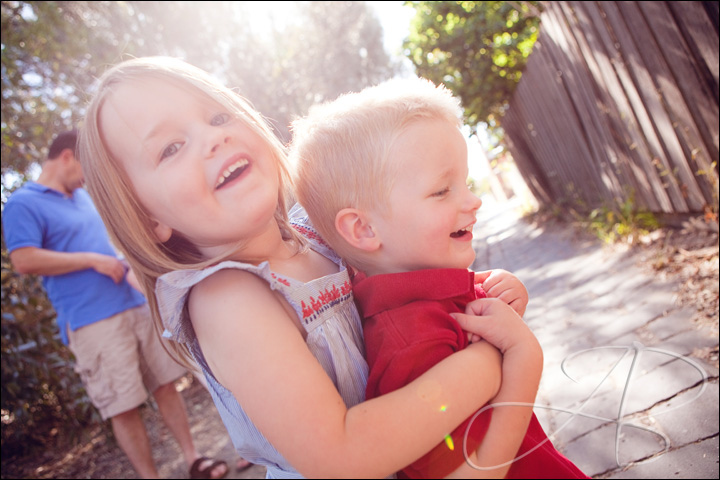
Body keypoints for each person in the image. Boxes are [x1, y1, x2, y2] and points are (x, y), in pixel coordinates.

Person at [78, 55, 540, 479]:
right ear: (149, 218)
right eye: (171, 148)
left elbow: (404, 295)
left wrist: (486, 292)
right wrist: (496, 357)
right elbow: (341, 454)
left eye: (218, 116)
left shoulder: (316, 235)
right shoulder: (227, 298)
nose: (212, 137)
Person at [290, 78, 590, 478]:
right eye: (441, 191)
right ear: (363, 230)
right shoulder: (411, 345)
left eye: (464, 183)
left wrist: (490, 290)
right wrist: (522, 357)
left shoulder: (426, 302)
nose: (472, 200)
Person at [2, 130, 234, 480]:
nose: (87, 178)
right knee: (123, 405)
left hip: (134, 304)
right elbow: (24, 259)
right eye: (85, 167)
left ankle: (193, 458)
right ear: (67, 156)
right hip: (92, 321)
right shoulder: (24, 203)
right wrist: (92, 261)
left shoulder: (83, 198)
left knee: (165, 384)